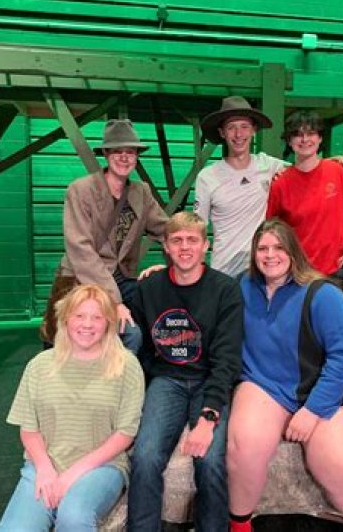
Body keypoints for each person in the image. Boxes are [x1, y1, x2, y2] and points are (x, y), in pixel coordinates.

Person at [227, 218, 343, 532]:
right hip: (264, 386)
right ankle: (239, 525)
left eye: (278, 247)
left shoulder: (324, 294)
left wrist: (312, 411)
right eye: (262, 248)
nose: (270, 255)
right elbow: (202, 289)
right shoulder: (242, 287)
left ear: (293, 251)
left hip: (322, 393)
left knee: (340, 466)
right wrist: (165, 273)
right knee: (245, 449)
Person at [127, 211, 243, 532]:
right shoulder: (149, 288)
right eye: (177, 240)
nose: (185, 247)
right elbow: (135, 337)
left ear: (205, 245)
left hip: (209, 380)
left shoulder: (225, 290)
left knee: (210, 461)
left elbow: (227, 359)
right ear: (165, 246)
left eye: (192, 240)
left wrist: (208, 417)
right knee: (146, 457)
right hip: (167, 380)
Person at [0, 284, 145, 531]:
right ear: (66, 319)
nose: (87, 324)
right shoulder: (39, 366)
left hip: (102, 466)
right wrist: (44, 469)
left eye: (97, 317)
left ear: (108, 323)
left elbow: (125, 434)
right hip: (45, 464)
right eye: (79, 316)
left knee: (74, 517)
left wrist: (71, 475)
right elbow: (29, 429)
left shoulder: (126, 366)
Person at [40, 118, 169, 353]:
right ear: (106, 154)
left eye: (130, 152)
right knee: (129, 334)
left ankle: (146, 371)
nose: (124, 157)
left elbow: (167, 230)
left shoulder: (141, 192)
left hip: (122, 278)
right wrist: (114, 302)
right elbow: (81, 249)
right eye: (117, 151)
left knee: (161, 313)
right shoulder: (81, 190)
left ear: (136, 156)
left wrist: (173, 263)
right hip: (82, 279)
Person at [266, 110, 343, 301]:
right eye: (298, 134)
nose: (305, 139)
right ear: (289, 141)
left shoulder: (339, 171)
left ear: (320, 138)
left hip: (338, 273)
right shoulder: (280, 183)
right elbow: (271, 231)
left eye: (311, 133)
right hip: (297, 275)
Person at [194, 96, 289, 277]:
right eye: (231, 127)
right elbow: (197, 230)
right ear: (222, 132)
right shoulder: (207, 177)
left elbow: (307, 169)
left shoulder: (268, 165)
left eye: (244, 126)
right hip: (224, 271)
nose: (238, 134)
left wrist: (338, 160)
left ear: (254, 130)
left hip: (260, 269)